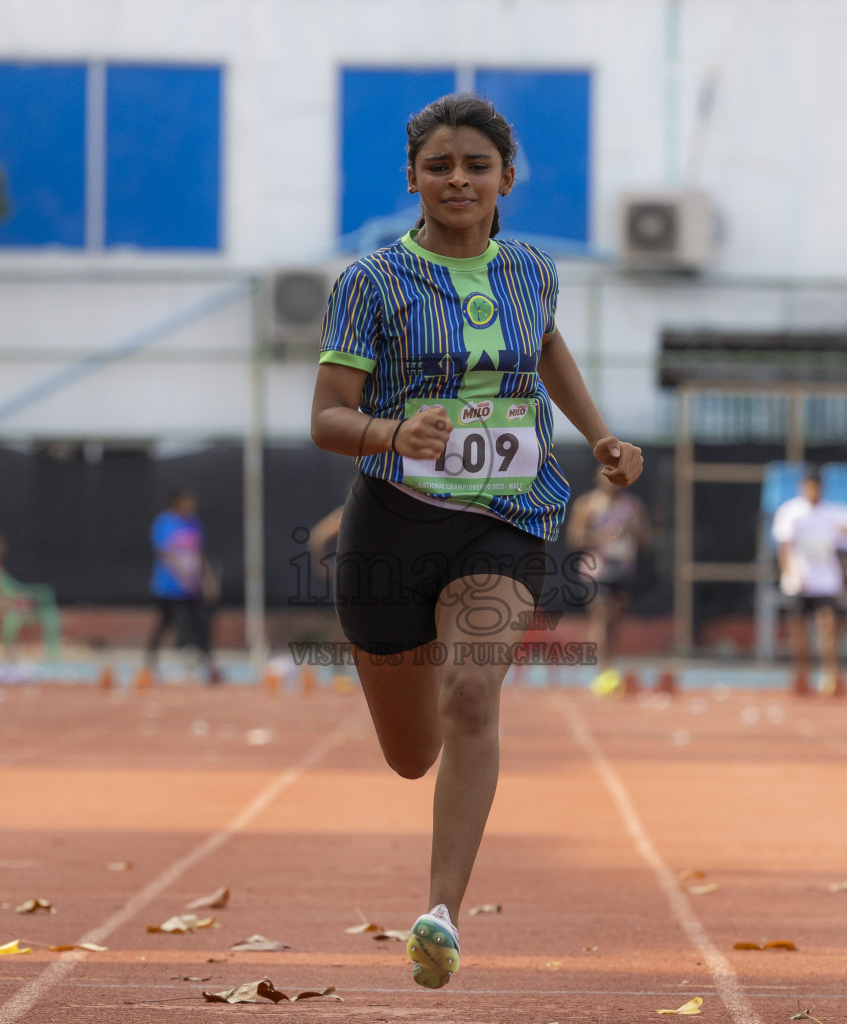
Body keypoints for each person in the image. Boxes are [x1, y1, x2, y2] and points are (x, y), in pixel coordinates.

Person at [309, 93, 642, 990]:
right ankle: (436, 877)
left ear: (506, 179)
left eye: (477, 166)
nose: (459, 180)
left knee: (470, 695)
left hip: (505, 519)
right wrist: (390, 434)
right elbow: (327, 418)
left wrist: (600, 434)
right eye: (441, 166)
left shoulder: (532, 270)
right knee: (411, 754)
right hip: (394, 528)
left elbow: (546, 349)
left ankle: (441, 912)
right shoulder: (371, 282)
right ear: (414, 179)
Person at [771, 466, 847, 696]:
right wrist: (791, 574)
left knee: (827, 630)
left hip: (826, 583)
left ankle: (830, 675)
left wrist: (844, 578)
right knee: (798, 633)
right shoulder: (790, 512)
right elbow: (784, 548)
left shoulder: (836, 514)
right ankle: (803, 675)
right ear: (802, 487)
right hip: (799, 583)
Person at [566, 471, 648, 672]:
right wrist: (601, 536)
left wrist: (631, 533)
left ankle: (611, 667)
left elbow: (646, 539)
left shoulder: (633, 506)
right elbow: (574, 538)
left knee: (615, 621)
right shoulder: (588, 504)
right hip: (596, 572)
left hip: (622, 571)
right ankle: (602, 672)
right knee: (601, 620)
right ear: (599, 478)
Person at [145, 488, 220, 682]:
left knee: (201, 623)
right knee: (166, 623)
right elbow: (165, 553)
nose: (192, 505)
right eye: (188, 501)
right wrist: (182, 574)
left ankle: (209, 666)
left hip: (192, 587)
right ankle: (150, 663)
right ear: (177, 502)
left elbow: (199, 553)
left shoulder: (195, 523)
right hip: (168, 587)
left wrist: (207, 579)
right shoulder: (164, 522)